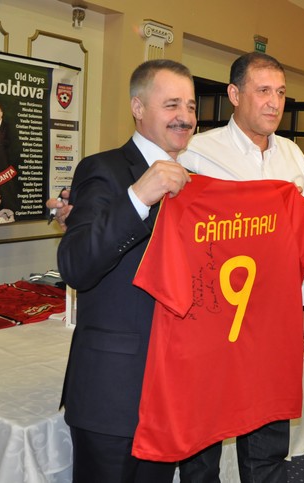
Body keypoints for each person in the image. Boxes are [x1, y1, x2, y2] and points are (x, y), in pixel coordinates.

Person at [180, 51, 304, 482]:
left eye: (280, 92)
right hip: (212, 317)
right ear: (234, 94)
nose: (274, 103)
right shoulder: (197, 153)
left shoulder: (293, 157)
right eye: (263, 91)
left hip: (272, 316)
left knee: (268, 436)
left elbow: (303, 240)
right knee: (203, 437)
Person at [57, 59, 198, 483]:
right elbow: (76, 266)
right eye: (172, 104)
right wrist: (138, 197)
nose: (185, 116)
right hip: (112, 392)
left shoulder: (195, 183)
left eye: (191, 106)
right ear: (138, 108)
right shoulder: (104, 170)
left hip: (172, 390)